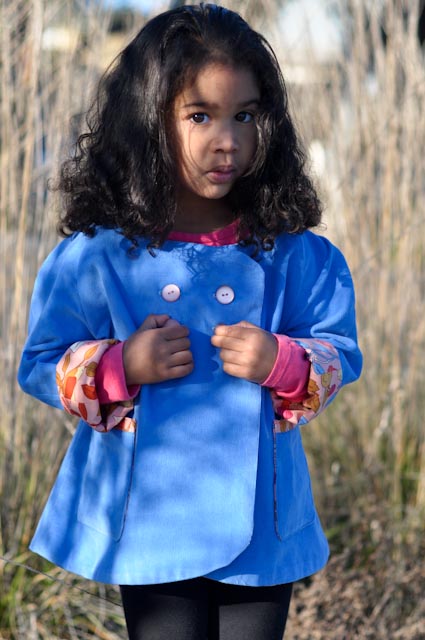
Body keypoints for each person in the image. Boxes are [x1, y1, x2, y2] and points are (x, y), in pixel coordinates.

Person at [18, 4, 362, 639]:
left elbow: (338, 349)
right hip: (149, 517)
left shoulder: (295, 253)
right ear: (148, 121)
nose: (226, 140)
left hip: (261, 522)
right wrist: (120, 365)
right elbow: (41, 363)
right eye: (199, 116)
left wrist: (285, 363)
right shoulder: (99, 255)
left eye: (245, 116)